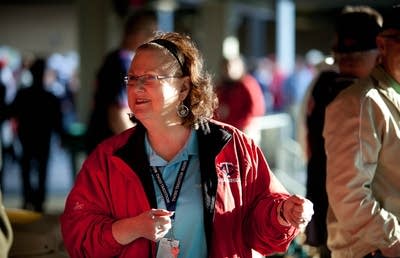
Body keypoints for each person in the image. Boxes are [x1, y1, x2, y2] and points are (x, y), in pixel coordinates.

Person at [60, 31, 314, 258]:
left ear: (183, 87)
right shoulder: (109, 158)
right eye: (131, 78)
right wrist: (131, 228)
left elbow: (263, 230)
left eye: (148, 78)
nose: (136, 88)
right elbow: (77, 237)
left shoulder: (232, 146)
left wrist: (283, 214)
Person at [304, 6, 382, 258]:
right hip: (356, 220)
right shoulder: (358, 95)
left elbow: (307, 143)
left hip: (329, 202)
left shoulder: (321, 83)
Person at [323, 5, 400, 258]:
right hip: (371, 251)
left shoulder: (386, 97)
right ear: (382, 44)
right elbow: (348, 195)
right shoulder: (359, 102)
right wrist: (393, 239)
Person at [85, 8, 157, 154]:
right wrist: (138, 150)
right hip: (110, 146)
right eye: (149, 32)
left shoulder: (115, 59)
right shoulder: (122, 63)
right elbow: (118, 113)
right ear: (135, 33)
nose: (152, 39)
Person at [7, 58, 64, 212]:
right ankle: (39, 202)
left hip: (26, 137)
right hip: (43, 139)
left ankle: (28, 200)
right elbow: (57, 122)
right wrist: (61, 137)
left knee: (25, 169)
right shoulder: (51, 97)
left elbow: (10, 112)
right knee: (42, 169)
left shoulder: (23, 94)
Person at [215, 55, 266, 132]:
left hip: (244, 130)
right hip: (226, 130)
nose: (228, 70)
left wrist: (242, 126)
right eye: (225, 67)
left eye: (230, 66)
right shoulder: (221, 87)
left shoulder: (248, 84)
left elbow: (256, 109)